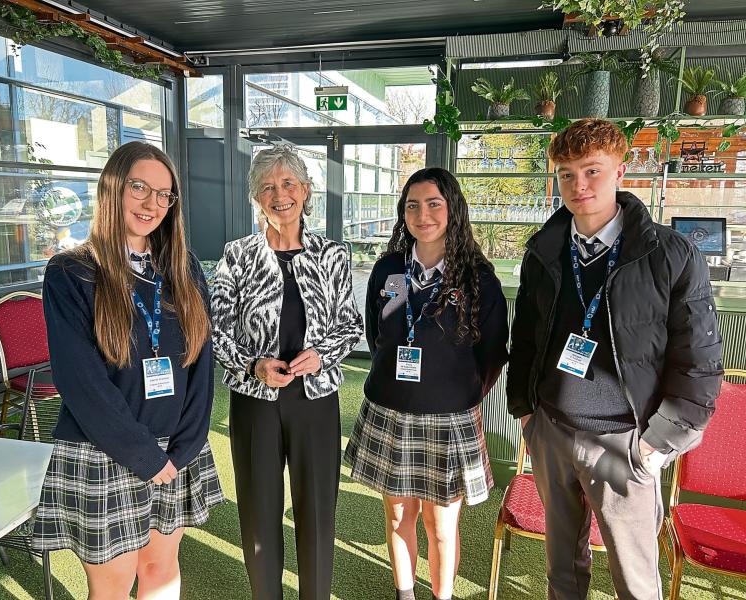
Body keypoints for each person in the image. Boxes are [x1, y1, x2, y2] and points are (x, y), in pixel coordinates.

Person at [507, 118, 724, 599]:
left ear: (621, 171)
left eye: (592, 171)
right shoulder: (544, 251)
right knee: (563, 572)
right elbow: (525, 335)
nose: (578, 185)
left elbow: (700, 359)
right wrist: (526, 412)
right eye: (566, 174)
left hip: (627, 442)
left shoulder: (671, 253)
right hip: (552, 431)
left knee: (635, 581)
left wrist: (658, 444)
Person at [32, 141, 224, 599]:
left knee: (160, 569)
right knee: (114, 586)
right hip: (105, 452)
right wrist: (145, 457)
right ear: (113, 188)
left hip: (176, 452)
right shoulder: (71, 272)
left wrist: (187, 446)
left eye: (164, 194)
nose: (152, 203)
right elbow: (80, 383)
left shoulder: (182, 268)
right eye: (139, 187)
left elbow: (200, 365)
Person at [345, 167, 509, 600]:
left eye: (434, 203)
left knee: (442, 525)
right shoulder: (389, 270)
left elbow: (492, 354)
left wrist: (457, 394)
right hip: (390, 411)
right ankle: (405, 593)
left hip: (448, 418)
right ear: (403, 214)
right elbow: (377, 334)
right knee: (399, 515)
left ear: (452, 209)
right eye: (412, 205)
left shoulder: (478, 278)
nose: (423, 214)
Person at [210, 144, 363, 599]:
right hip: (255, 402)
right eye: (268, 187)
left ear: (306, 190)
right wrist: (251, 365)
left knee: (317, 512)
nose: (279, 195)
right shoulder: (237, 255)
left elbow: (351, 323)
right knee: (259, 512)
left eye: (288, 184)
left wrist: (323, 353)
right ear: (256, 198)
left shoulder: (333, 255)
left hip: (315, 402)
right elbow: (215, 328)